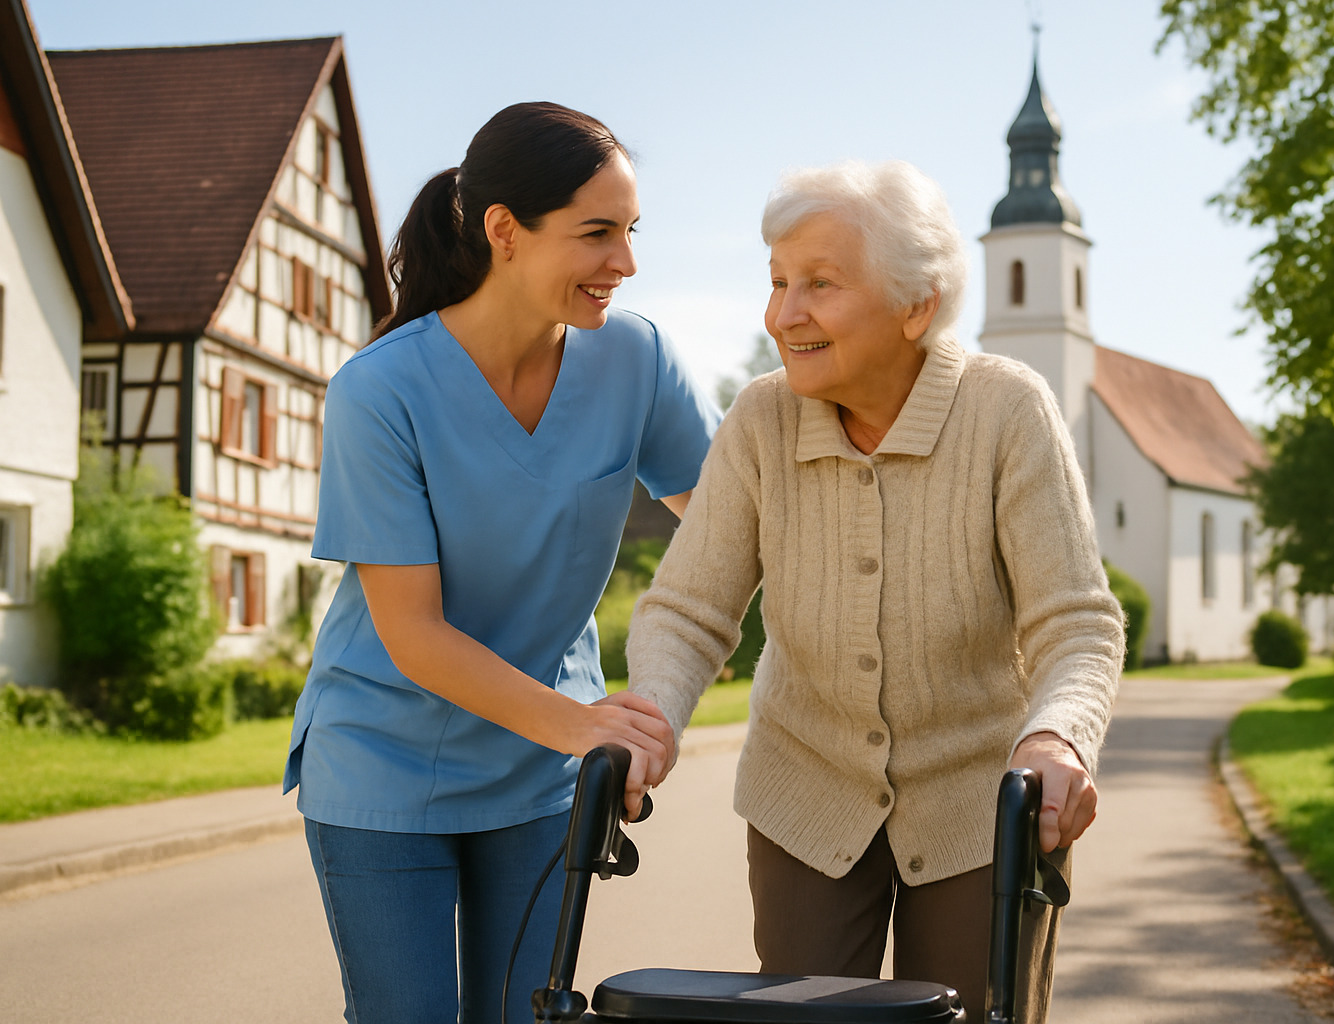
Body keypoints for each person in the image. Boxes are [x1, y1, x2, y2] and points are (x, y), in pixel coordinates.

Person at [625, 159, 1124, 1024]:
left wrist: (1057, 738)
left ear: (916, 306)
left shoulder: (1007, 411)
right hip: (806, 789)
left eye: (818, 283)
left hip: (981, 799)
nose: (785, 314)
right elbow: (689, 608)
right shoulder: (760, 419)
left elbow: (1075, 623)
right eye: (778, 282)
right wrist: (651, 716)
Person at [282, 102, 719, 1024]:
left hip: (539, 770)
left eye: (631, 232)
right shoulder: (381, 391)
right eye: (596, 234)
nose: (626, 264)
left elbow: (736, 525)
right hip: (383, 767)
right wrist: (585, 729)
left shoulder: (633, 360)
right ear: (504, 232)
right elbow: (416, 636)